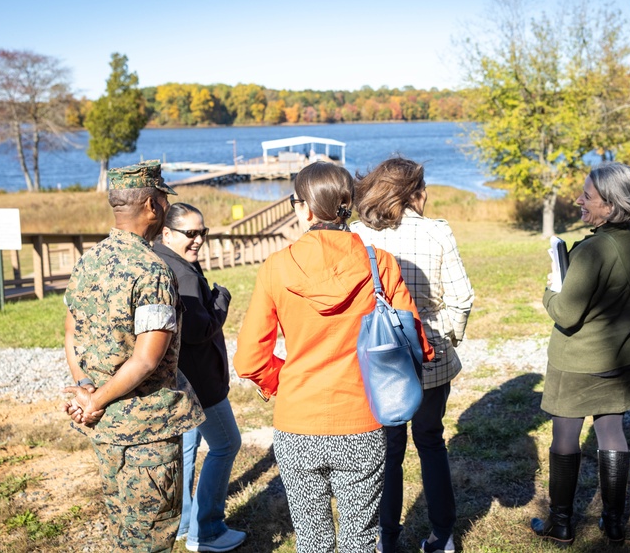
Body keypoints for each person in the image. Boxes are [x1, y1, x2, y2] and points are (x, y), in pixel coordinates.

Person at [233, 161, 435, 552]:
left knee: (312, 540)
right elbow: (418, 342)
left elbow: (249, 360)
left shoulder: (276, 267)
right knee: (360, 540)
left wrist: (283, 381)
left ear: (305, 209)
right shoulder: (380, 264)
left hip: (298, 425)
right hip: (363, 422)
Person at [61, 160, 205, 552]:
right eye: (161, 199)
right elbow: (146, 359)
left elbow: (72, 334)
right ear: (152, 205)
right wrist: (95, 398)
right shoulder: (153, 270)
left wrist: (86, 390)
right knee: (151, 538)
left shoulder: (88, 261)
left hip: (103, 426)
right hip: (147, 430)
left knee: (121, 529)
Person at [352, 157, 474, 553]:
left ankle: (388, 539)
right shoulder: (437, 233)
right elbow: (461, 298)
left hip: (380, 359)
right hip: (430, 356)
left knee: (388, 449)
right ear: (414, 192)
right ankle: (443, 537)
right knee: (431, 440)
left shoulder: (357, 234)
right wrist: (446, 339)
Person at [532, 162, 630, 546]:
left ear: (611, 204)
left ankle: (561, 522)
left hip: (578, 360)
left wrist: (550, 291)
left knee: (565, 436)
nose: (579, 200)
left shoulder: (592, 249)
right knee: (611, 432)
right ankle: (614, 524)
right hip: (620, 354)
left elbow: (567, 314)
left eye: (587, 196)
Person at [152, 203, 245, 553]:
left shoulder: (160, 260)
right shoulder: (186, 274)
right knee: (225, 445)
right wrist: (221, 299)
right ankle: (206, 532)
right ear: (167, 233)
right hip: (199, 383)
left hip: (176, 379)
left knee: (187, 447)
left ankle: (184, 521)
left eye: (202, 233)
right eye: (190, 233)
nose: (198, 240)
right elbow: (198, 330)